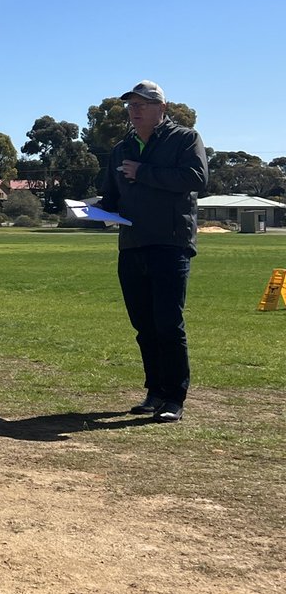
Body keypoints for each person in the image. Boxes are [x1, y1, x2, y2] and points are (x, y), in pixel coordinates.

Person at [97, 80, 208, 423]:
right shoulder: (121, 148)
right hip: (132, 245)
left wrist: (143, 172)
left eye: (142, 104)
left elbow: (196, 178)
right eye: (131, 105)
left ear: (162, 107)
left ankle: (175, 397)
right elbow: (111, 195)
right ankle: (155, 391)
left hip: (170, 243)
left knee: (168, 323)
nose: (135, 110)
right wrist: (97, 213)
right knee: (144, 325)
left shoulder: (185, 139)